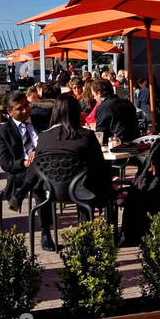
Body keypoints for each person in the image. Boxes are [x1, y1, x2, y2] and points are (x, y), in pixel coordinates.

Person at [30, 94, 111, 252]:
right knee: (89, 181)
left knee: (39, 184)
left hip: (50, 191)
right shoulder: (87, 136)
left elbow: (38, 166)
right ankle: (85, 233)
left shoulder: (44, 137)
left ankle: (45, 232)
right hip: (80, 191)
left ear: (55, 113)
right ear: (77, 113)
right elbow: (99, 166)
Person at [0, 90, 39, 212]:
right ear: (10, 112)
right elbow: (5, 163)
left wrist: (39, 153)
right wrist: (25, 162)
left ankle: (20, 195)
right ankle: (45, 229)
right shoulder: (3, 131)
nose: (26, 110)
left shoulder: (40, 121)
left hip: (46, 165)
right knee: (40, 180)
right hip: (21, 173)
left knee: (39, 168)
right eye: (20, 108)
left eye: (26, 105)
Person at [96, 79, 141, 145]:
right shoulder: (127, 102)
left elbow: (101, 133)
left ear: (99, 93)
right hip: (136, 142)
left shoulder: (103, 107)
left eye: (94, 95)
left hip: (119, 145)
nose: (94, 98)